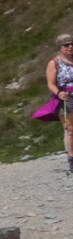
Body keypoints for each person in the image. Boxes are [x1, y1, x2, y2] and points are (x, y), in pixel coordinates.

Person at [45, 33, 73, 173]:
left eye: (71, 44)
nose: (70, 46)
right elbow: (50, 84)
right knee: (70, 129)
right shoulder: (55, 63)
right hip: (65, 98)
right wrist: (59, 93)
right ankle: (71, 158)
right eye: (66, 45)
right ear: (60, 47)